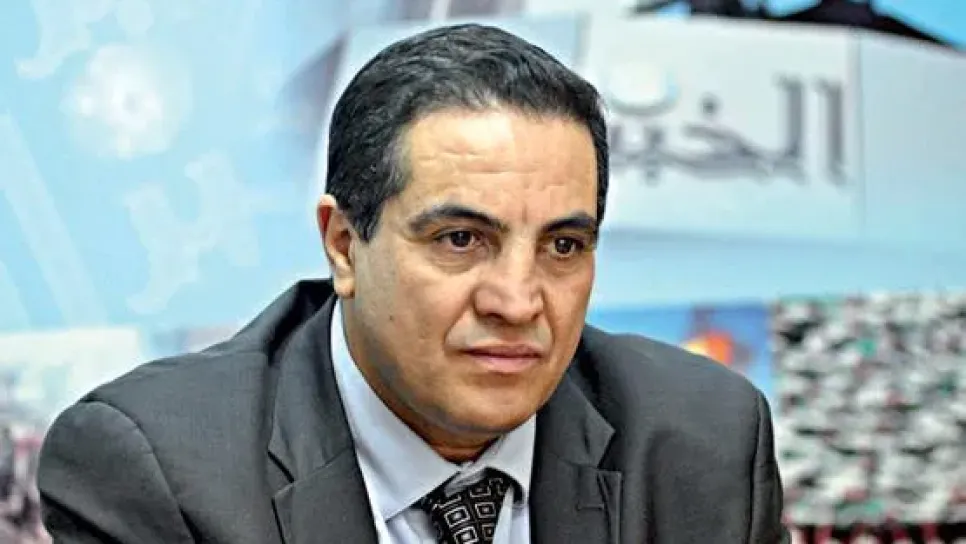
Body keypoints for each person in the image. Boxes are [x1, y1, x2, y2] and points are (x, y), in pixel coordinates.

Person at [37, 23, 788, 543]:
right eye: (461, 239)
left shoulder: (702, 444)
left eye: (563, 246)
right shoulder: (159, 468)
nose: (517, 302)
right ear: (343, 245)